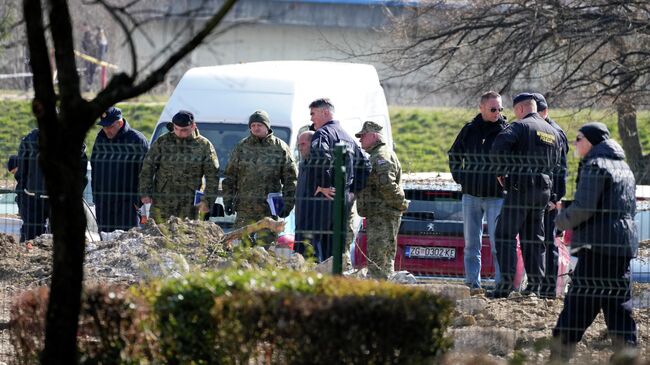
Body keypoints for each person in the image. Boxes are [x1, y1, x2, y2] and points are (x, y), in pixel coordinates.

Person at [551, 122, 637, 361]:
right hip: (621, 247)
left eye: (578, 139)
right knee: (618, 308)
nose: (575, 144)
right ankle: (629, 356)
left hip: (596, 248)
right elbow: (610, 206)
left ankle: (558, 356)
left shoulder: (595, 165)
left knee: (577, 308)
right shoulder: (623, 167)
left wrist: (560, 220)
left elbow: (586, 207)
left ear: (590, 141)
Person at [489, 93, 562, 298]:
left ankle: (505, 285)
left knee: (505, 235)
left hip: (521, 187)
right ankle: (534, 287)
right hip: (543, 189)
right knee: (534, 239)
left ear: (520, 109)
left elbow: (499, 145)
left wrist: (501, 171)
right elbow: (557, 162)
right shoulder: (552, 131)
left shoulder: (519, 126)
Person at [448, 91, 507, 289]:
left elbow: (515, 160)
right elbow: (454, 154)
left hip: (496, 197)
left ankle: (501, 285)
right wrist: (461, 177)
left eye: (500, 108)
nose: (497, 112)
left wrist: (506, 181)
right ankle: (472, 285)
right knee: (471, 245)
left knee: (498, 245)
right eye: (493, 109)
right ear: (481, 108)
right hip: (470, 196)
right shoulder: (469, 129)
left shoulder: (506, 131)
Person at [304, 98, 370, 262]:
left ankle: (312, 284)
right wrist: (351, 192)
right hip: (343, 201)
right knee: (334, 250)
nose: (311, 119)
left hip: (324, 201)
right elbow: (366, 165)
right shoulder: (346, 136)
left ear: (325, 112)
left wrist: (323, 185)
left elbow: (320, 156)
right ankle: (333, 281)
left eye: (313, 114)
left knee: (311, 246)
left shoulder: (323, 133)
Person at [222, 110, 297, 245]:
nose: (256, 128)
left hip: (269, 210)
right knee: (240, 249)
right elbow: (230, 176)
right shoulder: (242, 147)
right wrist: (228, 200)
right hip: (245, 209)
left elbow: (290, 179)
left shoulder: (280, 148)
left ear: (267, 127)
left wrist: (288, 204)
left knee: (265, 249)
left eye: (259, 125)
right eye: (253, 125)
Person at [138, 110, 219, 222]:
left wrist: (207, 201)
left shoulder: (204, 145)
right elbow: (148, 167)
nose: (180, 133)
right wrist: (145, 192)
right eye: (176, 129)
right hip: (162, 202)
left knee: (186, 237)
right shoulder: (163, 142)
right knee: (158, 236)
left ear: (193, 126)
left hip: (189, 204)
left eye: (184, 130)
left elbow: (212, 176)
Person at [355, 121, 408, 279]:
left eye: (363, 136)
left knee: (379, 260)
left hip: (382, 215)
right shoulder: (377, 154)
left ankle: (379, 292)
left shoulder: (380, 156)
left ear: (373, 136)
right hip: (380, 214)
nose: (360, 139)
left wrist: (401, 203)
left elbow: (387, 184)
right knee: (380, 258)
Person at [15, 129, 89, 242]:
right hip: (33, 199)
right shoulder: (30, 140)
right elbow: (21, 173)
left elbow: (81, 173)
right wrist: (21, 197)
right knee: (30, 237)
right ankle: (27, 258)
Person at [532, 93, 569, 298]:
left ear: (544, 112)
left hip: (549, 200)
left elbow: (561, 169)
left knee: (548, 243)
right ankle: (538, 288)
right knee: (537, 243)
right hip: (537, 196)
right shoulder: (536, 129)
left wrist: (556, 198)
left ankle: (548, 292)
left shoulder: (555, 132)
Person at [90, 106, 149, 232]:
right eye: (104, 127)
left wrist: (137, 201)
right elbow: (95, 168)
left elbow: (146, 173)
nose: (107, 130)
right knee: (105, 243)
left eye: (110, 126)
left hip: (127, 204)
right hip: (104, 203)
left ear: (120, 123)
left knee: (127, 242)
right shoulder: (100, 139)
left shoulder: (137, 140)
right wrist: (97, 197)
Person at [294, 129, 315, 255]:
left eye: (303, 144)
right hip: (300, 219)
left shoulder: (318, 165)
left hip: (312, 221)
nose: (300, 148)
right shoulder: (302, 164)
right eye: (298, 145)